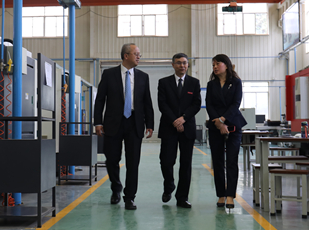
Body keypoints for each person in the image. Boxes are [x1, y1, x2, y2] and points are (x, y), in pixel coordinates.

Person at [94, 43, 154, 210]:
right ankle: (116, 187)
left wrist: (150, 124)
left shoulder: (143, 77)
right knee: (112, 159)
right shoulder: (109, 74)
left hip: (135, 122)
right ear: (126, 56)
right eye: (136, 54)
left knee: (133, 162)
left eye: (139, 54)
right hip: (113, 122)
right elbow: (100, 100)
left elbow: (147, 102)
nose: (139, 57)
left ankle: (130, 197)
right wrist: (98, 122)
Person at [157, 53, 201, 208]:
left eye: (184, 63)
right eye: (178, 63)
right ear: (173, 65)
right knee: (166, 161)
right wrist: (175, 121)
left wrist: (183, 118)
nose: (182, 65)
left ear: (187, 65)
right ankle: (169, 185)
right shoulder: (164, 82)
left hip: (187, 127)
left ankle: (182, 197)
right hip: (169, 127)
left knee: (186, 163)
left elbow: (196, 104)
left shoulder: (194, 83)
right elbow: (162, 104)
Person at [206, 54, 247, 209]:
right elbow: (209, 104)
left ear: (226, 65)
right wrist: (217, 122)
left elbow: (236, 103)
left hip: (233, 125)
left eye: (218, 64)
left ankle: (230, 195)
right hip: (215, 126)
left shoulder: (236, 82)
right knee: (217, 162)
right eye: (213, 65)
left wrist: (223, 119)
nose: (215, 67)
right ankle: (221, 195)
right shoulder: (211, 85)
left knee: (231, 161)